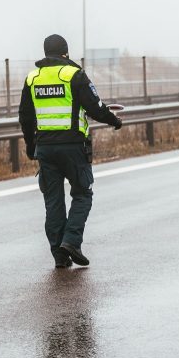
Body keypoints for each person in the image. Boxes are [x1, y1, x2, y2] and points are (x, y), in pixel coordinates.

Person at [19, 34, 123, 269]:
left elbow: (25, 116)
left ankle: (59, 254)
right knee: (83, 193)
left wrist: (30, 145)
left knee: (53, 202)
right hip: (74, 147)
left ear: (45, 53)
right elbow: (95, 107)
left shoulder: (32, 78)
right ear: (65, 53)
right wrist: (114, 120)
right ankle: (71, 241)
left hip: (45, 148)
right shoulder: (74, 75)